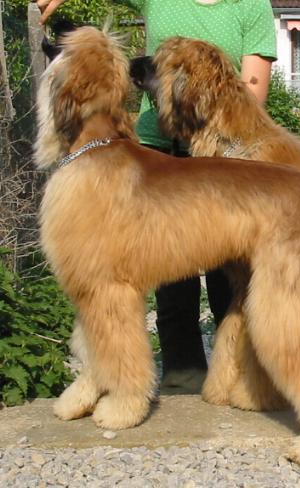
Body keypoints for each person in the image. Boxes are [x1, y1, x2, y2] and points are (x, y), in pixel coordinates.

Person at [37, 0, 277, 393]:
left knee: (230, 274)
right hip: (156, 149)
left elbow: (254, 90)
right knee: (169, 279)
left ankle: (239, 376)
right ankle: (183, 374)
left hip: (218, 152)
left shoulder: (250, 5)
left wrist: (203, 125)